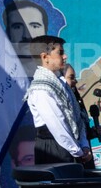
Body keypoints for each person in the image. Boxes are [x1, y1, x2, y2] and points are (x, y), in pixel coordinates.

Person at [26, 36, 93, 167]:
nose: (65, 56)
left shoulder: (61, 83)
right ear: (45, 57)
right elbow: (57, 124)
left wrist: (84, 145)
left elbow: (76, 116)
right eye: (60, 53)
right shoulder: (41, 88)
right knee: (61, 186)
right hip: (54, 149)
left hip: (71, 146)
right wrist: (77, 151)